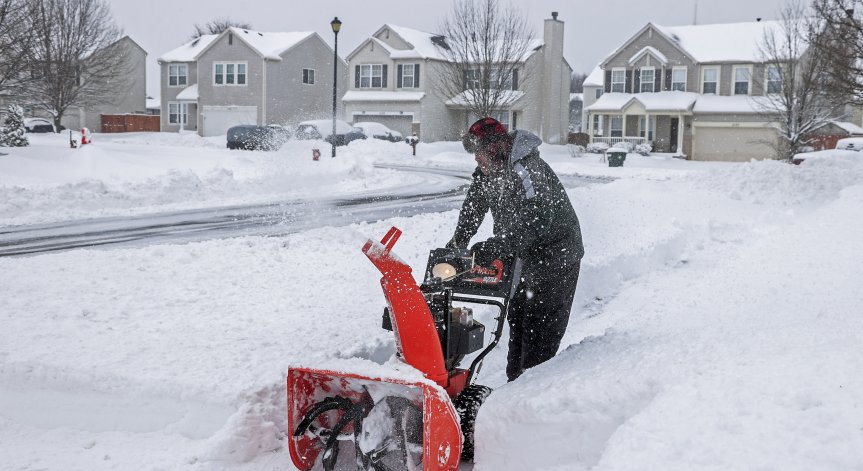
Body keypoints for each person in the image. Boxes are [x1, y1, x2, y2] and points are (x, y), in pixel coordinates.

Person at [447, 117, 584, 382]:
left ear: (496, 148)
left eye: (479, 152)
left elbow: (538, 219)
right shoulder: (489, 173)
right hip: (523, 256)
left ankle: (532, 396)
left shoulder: (528, 169)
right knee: (519, 324)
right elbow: (473, 206)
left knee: (541, 330)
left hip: (556, 257)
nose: (476, 159)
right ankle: (514, 387)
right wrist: (458, 243)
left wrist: (499, 245)